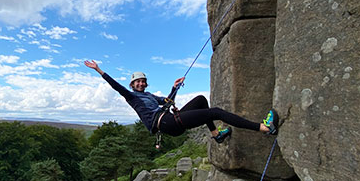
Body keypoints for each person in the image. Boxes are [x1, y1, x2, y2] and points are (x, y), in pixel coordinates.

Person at [84, 60, 278, 143]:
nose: (141, 83)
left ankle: (216, 135)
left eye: (143, 81)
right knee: (216, 112)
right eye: (137, 81)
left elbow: (167, 101)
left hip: (170, 118)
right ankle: (264, 128)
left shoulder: (150, 96)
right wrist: (99, 70)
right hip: (167, 123)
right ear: (133, 85)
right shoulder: (132, 97)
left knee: (201, 100)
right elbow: (116, 86)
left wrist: (175, 86)